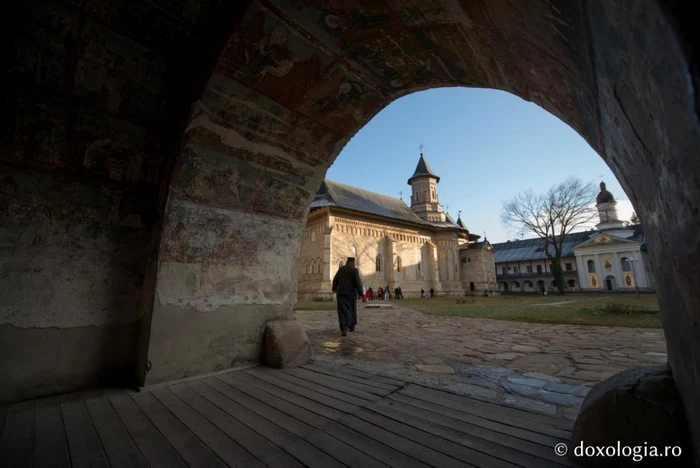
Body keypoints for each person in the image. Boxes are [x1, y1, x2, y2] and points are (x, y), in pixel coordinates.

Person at [332, 257, 363, 336]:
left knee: (342, 311)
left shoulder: (341, 269)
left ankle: (344, 328)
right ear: (352, 263)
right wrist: (361, 294)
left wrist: (334, 289)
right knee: (351, 310)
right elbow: (358, 283)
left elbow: (335, 279)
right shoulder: (354, 271)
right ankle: (351, 325)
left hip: (341, 293)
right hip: (351, 294)